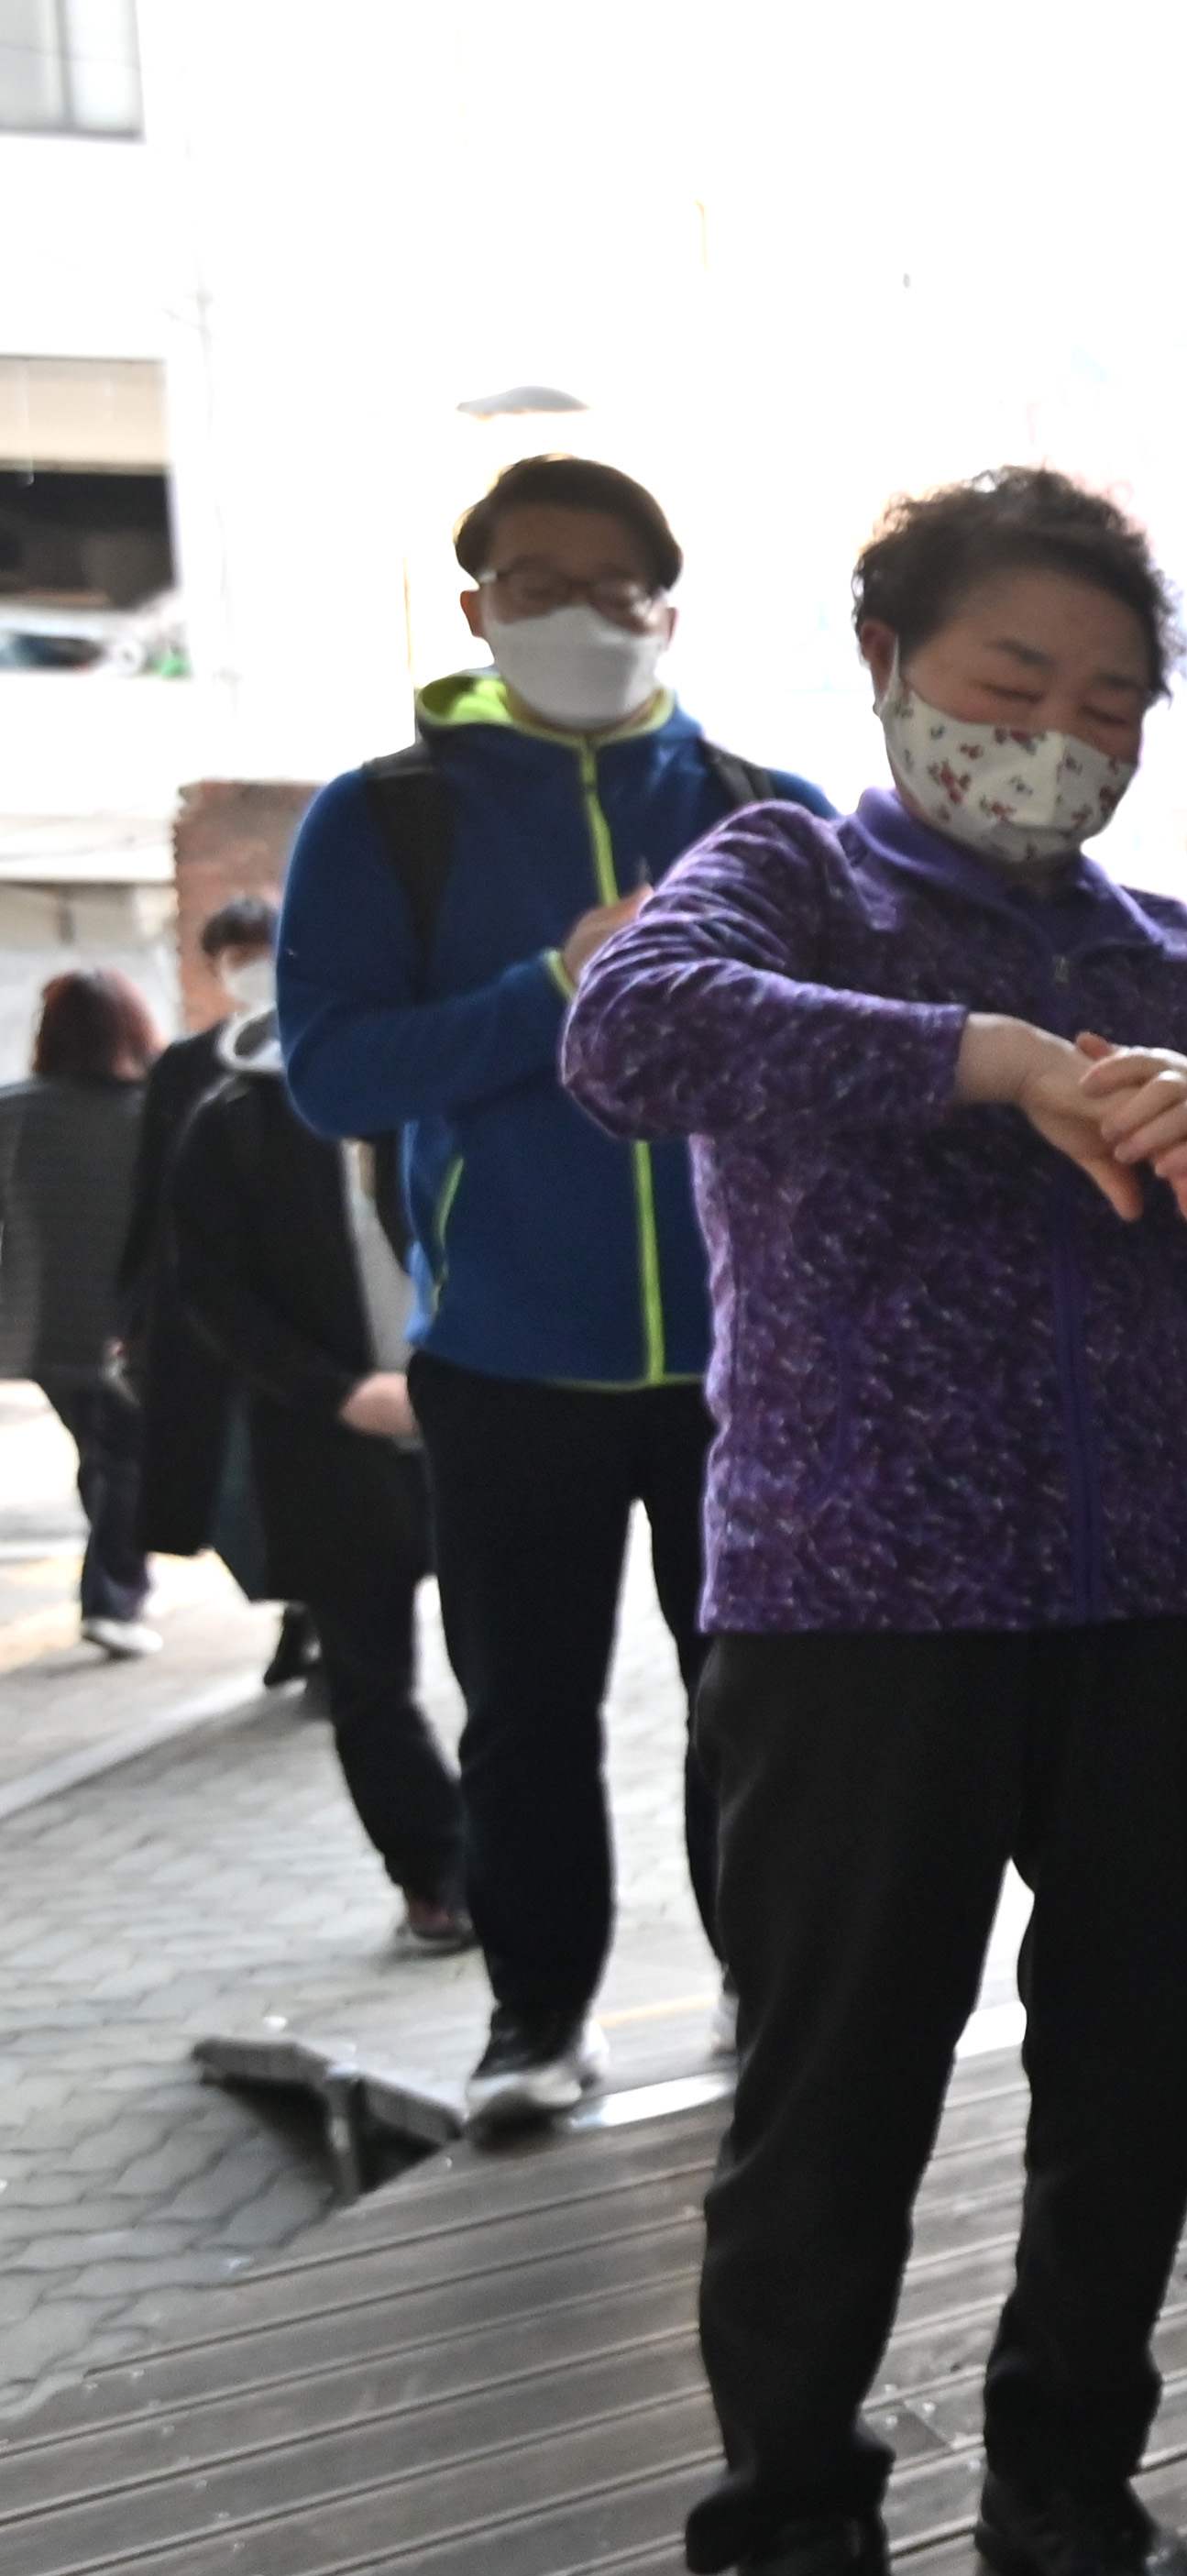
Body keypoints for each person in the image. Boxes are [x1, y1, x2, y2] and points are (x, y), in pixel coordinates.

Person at [558, 466, 1187, 2576]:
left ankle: (1065, 2473)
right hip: (849, 1607)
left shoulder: (1165, 947)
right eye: (1010, 683)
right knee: (833, 2091)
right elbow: (631, 1035)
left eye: (1112, 700)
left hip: (1145, 1586)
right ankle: (805, 2532)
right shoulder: (793, 876)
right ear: (892, 673)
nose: (1057, 733)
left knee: (1133, 2060)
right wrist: (986, 1062)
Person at [278, 453, 829, 2131]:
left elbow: (839, 1059)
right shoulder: (390, 815)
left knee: (762, 1705)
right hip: (506, 1358)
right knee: (527, 1712)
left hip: (755, 1358)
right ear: (475, 609)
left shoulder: (761, 801)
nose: (582, 614)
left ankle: (770, 1983)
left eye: (617, 585)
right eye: (537, 584)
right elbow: (335, 1073)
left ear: (668, 601)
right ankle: (536, 2018)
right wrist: (555, 986)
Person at [155, 987, 468, 1947]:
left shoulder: (451, 1091)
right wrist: (339, 1392)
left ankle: (518, 1864)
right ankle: (436, 1871)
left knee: (516, 1674)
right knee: (370, 1677)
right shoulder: (234, 1123)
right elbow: (213, 1293)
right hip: (330, 1437)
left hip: (481, 1416)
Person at [124, 895, 308, 1690]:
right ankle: (295, 1601)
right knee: (239, 1480)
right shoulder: (188, 1066)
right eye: (232, 954)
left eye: (260, 949)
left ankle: (326, 1616)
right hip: (212, 1313)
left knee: (324, 1475)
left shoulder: (325, 1047)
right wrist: (131, 1308)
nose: (249, 968)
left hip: (314, 1311)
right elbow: (152, 1196)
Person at [3, 970, 159, 1654]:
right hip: (130, 1328)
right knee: (121, 1457)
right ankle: (111, 1600)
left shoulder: (12, 1109)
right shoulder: (153, 1110)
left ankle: (115, 1590)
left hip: (36, 1328)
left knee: (104, 1452)